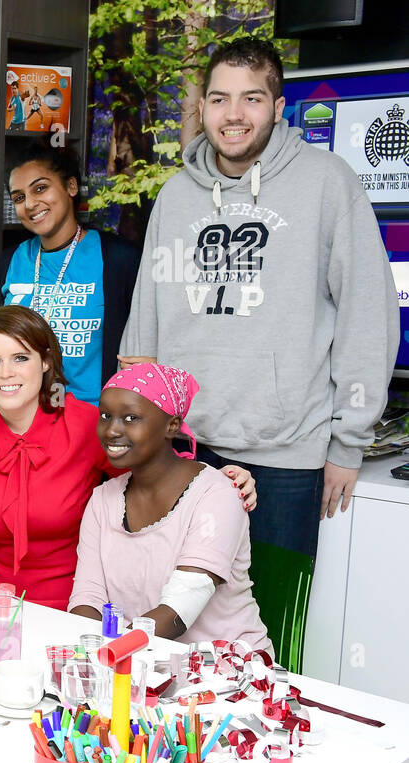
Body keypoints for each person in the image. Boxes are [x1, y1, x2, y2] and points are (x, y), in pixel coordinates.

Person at [119, 36, 398, 563]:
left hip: (286, 457)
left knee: (270, 626)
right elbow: (145, 324)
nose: (234, 114)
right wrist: (140, 433)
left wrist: (348, 443)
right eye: (220, 98)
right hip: (185, 450)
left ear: (277, 107)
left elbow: (368, 314)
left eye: (252, 98)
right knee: (181, 616)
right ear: (202, 108)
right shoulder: (177, 195)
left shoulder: (327, 183)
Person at [0, 306, 255, 610]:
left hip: (80, 604)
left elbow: (154, 476)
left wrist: (215, 482)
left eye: (20, 357)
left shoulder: (85, 424)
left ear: (46, 361)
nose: (6, 373)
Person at [69, 364, 273, 655]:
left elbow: (180, 608)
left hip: (225, 672)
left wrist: (110, 654)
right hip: (139, 664)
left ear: (172, 425)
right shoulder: (102, 500)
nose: (112, 430)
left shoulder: (217, 495)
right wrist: (94, 655)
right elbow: (87, 597)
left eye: (131, 418)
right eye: (105, 416)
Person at [0, 138, 139, 405]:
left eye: (40, 188)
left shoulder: (117, 258)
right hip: (23, 419)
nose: (30, 204)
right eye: (19, 197)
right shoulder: (11, 261)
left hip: (92, 422)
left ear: (71, 186)